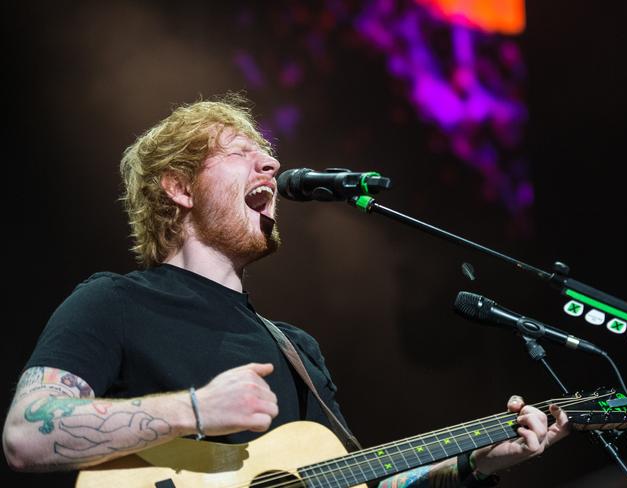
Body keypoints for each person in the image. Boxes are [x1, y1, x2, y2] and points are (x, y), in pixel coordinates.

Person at [2, 94, 568, 486]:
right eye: (240, 153)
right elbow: (27, 433)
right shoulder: (114, 302)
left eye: (267, 153)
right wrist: (196, 410)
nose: (271, 163)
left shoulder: (295, 349)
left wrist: (482, 459)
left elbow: (360, 482)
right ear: (177, 187)